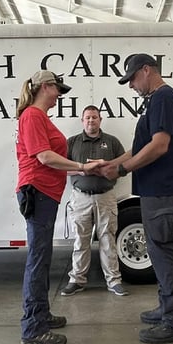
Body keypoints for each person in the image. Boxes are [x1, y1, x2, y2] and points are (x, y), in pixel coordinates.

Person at [101, 53, 173, 344]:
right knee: (157, 250)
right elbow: (140, 147)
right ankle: (167, 307)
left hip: (163, 188)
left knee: (164, 252)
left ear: (145, 70)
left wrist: (122, 169)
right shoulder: (154, 101)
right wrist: (111, 165)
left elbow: (160, 146)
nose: (130, 86)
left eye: (131, 80)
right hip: (154, 189)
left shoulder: (165, 97)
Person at [15, 69, 101, 344]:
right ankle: (33, 328)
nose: (59, 96)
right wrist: (81, 167)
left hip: (44, 194)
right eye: (57, 90)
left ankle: (41, 315)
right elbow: (44, 156)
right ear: (45, 87)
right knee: (38, 260)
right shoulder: (32, 116)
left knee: (43, 257)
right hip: (37, 192)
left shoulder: (39, 117)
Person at [61, 105, 129, 297]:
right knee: (81, 241)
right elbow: (60, 168)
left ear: (100, 120)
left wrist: (105, 169)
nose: (91, 121)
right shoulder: (72, 142)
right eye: (87, 118)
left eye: (94, 117)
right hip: (80, 197)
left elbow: (123, 166)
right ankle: (77, 280)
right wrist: (82, 169)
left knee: (108, 239)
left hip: (106, 196)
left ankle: (114, 281)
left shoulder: (112, 142)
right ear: (82, 120)